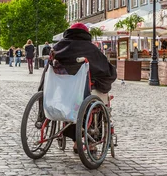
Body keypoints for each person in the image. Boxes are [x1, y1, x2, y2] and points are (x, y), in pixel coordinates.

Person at [38, 23, 117, 153]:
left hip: (62, 91)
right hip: (83, 91)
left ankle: (75, 140)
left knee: (73, 103)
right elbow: (106, 70)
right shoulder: (89, 48)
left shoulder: (58, 47)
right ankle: (90, 142)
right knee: (94, 102)